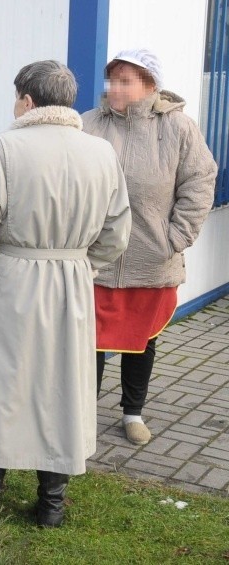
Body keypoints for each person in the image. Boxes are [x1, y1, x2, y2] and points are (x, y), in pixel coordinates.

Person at [0, 60, 132, 528]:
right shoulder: (102, 153)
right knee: (61, 384)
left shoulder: (2, 149)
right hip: (70, 280)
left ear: (27, 100)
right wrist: (82, 264)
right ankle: (51, 503)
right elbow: (117, 231)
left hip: (9, 278)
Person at [82, 49, 217, 446]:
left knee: (141, 340)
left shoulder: (178, 128)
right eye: (113, 80)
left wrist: (175, 238)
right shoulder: (90, 123)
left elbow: (200, 182)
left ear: (150, 86)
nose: (116, 89)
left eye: (126, 81)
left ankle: (132, 413)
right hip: (97, 259)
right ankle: (83, 412)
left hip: (151, 259)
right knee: (90, 339)